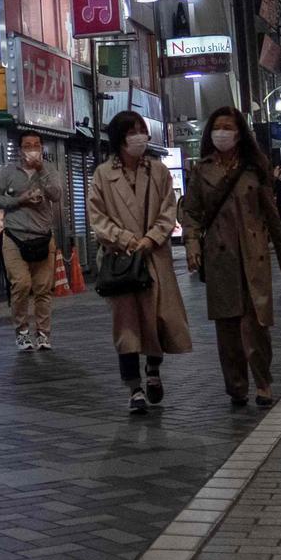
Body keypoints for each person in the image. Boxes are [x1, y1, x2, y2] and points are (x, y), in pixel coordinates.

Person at [181, 108, 281, 408]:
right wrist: (191, 246)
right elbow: (191, 213)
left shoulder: (254, 169)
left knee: (257, 325)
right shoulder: (201, 170)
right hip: (220, 259)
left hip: (253, 256)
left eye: (228, 127)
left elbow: (272, 217)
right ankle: (236, 386)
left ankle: (263, 383)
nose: (222, 132)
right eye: (217, 127)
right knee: (228, 328)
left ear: (239, 132)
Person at [88, 110, 190, 414]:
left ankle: (154, 371)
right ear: (120, 138)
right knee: (127, 326)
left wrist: (151, 239)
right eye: (132, 132)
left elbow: (168, 210)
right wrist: (127, 240)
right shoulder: (103, 175)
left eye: (142, 130)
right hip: (121, 259)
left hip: (154, 256)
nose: (139, 137)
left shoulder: (158, 171)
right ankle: (134, 389)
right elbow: (98, 218)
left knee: (157, 319)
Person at [0, 132, 63, 351]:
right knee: (21, 284)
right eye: (27, 145)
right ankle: (21, 332)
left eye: (36, 145)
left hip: (43, 236)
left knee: (43, 288)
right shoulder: (8, 172)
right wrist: (19, 200)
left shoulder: (49, 170)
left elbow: (56, 195)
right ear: (19, 149)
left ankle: (43, 334)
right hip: (15, 237)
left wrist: (41, 170)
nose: (32, 148)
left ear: (42, 148)